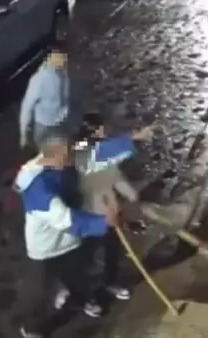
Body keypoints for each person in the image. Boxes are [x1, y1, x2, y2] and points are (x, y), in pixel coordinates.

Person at [14, 134, 118, 338]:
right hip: (47, 249)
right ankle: (34, 329)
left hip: (69, 242)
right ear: (55, 156)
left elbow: (90, 156)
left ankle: (78, 297)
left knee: (79, 277)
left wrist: (129, 140)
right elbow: (67, 220)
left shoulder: (47, 163)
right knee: (38, 295)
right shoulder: (40, 192)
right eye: (67, 154)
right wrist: (103, 222)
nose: (71, 157)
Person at [72, 113, 154, 304]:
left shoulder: (102, 149)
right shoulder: (82, 154)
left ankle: (109, 281)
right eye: (102, 128)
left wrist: (129, 193)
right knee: (85, 253)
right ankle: (74, 291)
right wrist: (133, 137)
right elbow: (103, 154)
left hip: (109, 210)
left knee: (112, 248)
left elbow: (114, 174)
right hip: (91, 213)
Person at [19, 43, 79, 152]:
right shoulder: (39, 79)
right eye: (62, 57)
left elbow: (65, 94)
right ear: (52, 57)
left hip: (62, 121)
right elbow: (27, 106)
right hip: (46, 129)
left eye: (65, 57)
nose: (65, 60)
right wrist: (23, 134)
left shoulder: (63, 70)